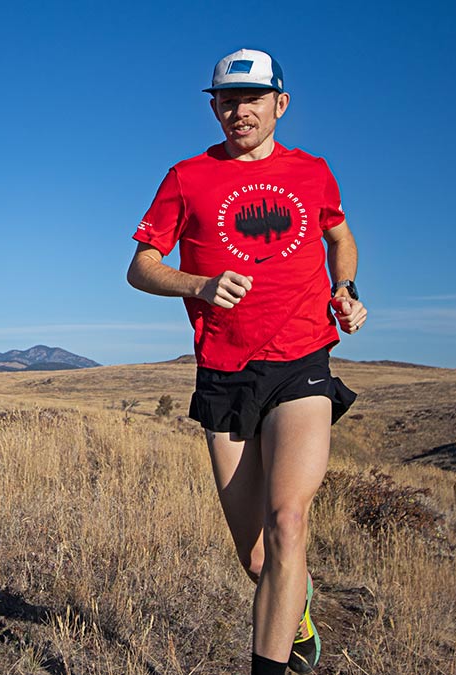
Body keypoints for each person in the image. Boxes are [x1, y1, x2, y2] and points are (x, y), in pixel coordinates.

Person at [126, 48, 367, 675]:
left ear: (280, 105)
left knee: (288, 522)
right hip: (225, 372)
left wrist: (348, 292)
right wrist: (197, 285)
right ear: (213, 106)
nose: (240, 111)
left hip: (302, 360)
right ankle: (301, 615)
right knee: (258, 558)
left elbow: (339, 239)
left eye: (253, 99)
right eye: (227, 100)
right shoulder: (186, 177)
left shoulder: (313, 172)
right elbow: (140, 266)